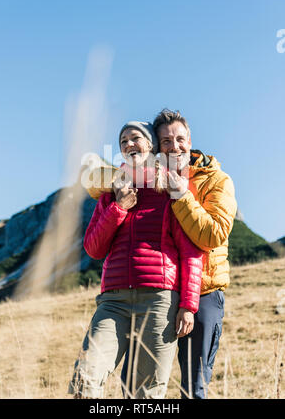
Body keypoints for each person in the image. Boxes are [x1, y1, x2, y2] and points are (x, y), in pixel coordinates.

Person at [86, 110, 237, 399]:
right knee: (137, 385)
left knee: (192, 386)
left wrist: (181, 196)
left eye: (180, 139)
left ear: (190, 141)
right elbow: (94, 179)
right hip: (157, 292)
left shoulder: (212, 179)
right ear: (157, 145)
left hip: (201, 291)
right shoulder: (145, 179)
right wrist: (115, 183)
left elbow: (210, 237)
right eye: (166, 140)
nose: (174, 145)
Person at [68, 120, 204, 399]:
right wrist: (118, 208)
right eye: (123, 141)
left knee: (144, 394)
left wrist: (188, 305)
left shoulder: (170, 189)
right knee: (85, 378)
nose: (129, 144)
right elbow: (93, 248)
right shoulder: (111, 193)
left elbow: (191, 251)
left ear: (151, 145)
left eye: (135, 138)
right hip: (113, 301)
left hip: (159, 301)